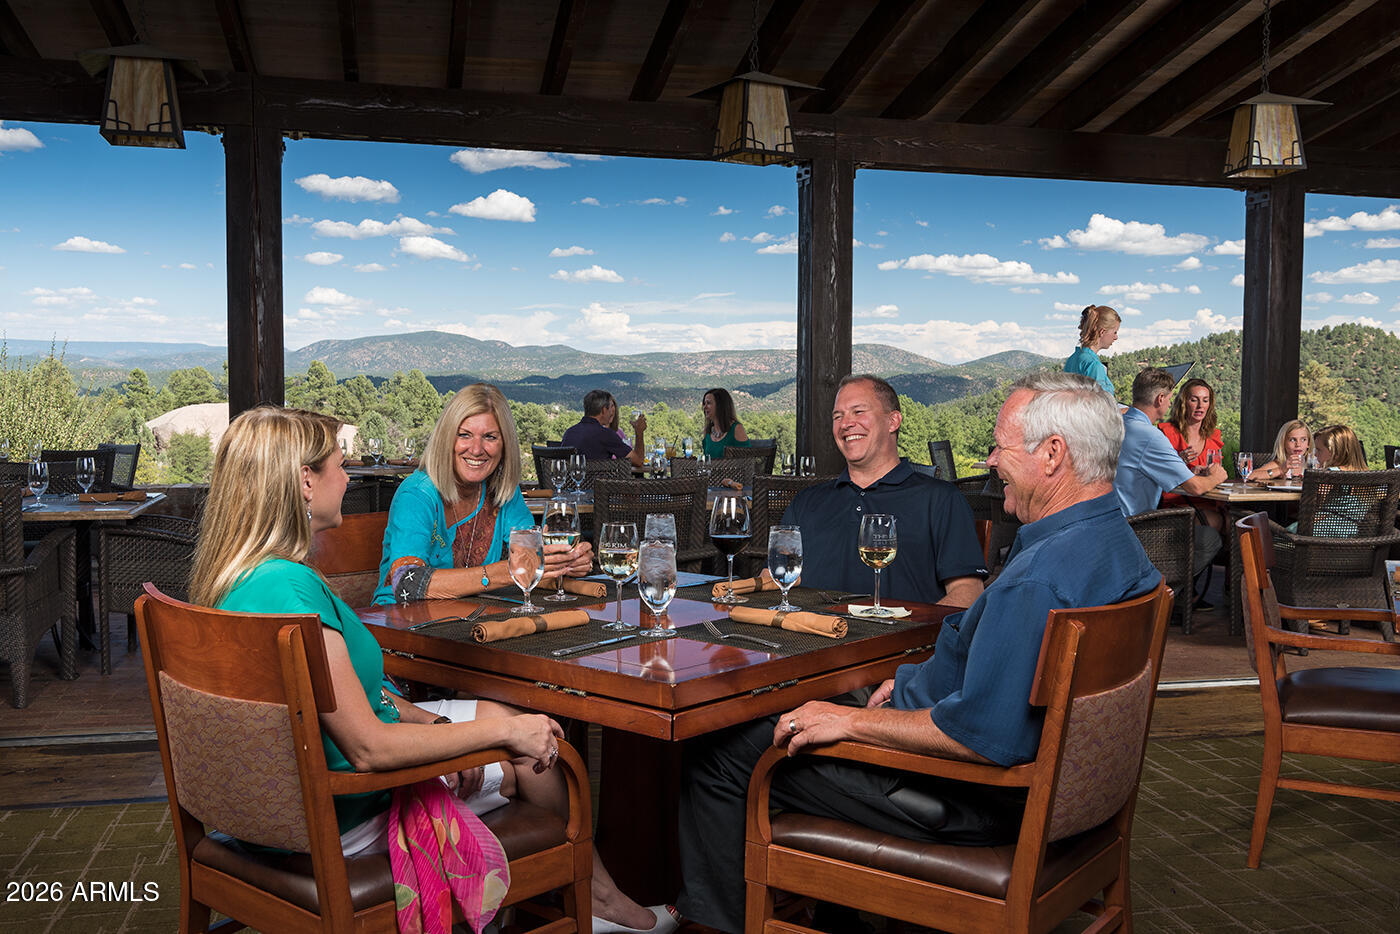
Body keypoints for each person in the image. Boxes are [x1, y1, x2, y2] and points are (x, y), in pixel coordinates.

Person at [674, 372, 1161, 934]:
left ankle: (723, 925)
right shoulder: (1117, 548)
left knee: (718, 749)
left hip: (963, 797)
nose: (992, 461)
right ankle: (838, 906)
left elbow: (978, 739)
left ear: (1053, 454)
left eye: (1000, 446)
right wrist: (910, 683)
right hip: (1064, 804)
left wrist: (851, 723)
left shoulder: (1039, 584)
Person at [190, 406, 673, 933]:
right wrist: (508, 731)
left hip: (268, 808)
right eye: (338, 464)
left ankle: (572, 892)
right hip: (344, 811)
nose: (348, 476)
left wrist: (438, 724)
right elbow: (368, 747)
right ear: (305, 481)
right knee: (535, 751)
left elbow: (354, 693)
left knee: (498, 715)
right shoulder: (291, 590)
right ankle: (578, 896)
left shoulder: (242, 580)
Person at [374, 383, 593, 605]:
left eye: (490, 437)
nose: (476, 449)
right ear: (446, 438)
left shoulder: (504, 491)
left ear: (504, 445)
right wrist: (507, 571)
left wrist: (563, 562)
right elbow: (406, 583)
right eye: (464, 435)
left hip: (471, 617)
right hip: (400, 622)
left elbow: (529, 561)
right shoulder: (417, 494)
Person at [780, 374, 985, 607]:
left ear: (893, 421)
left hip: (900, 640)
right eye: (838, 416)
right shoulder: (806, 502)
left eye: (858, 412)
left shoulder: (940, 499)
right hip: (811, 638)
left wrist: (912, 634)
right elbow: (776, 577)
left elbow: (968, 593)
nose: (846, 423)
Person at [1114, 367, 1227, 577]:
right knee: (1210, 538)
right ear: (1160, 398)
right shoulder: (1151, 436)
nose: (1169, 403)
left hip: (1111, 522)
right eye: (1169, 398)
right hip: (1135, 528)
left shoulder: (1119, 425)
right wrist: (1218, 476)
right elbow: (1196, 487)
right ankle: (1164, 591)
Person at [1157, 378, 1224, 522]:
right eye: (1194, 400)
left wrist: (1207, 473)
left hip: (1211, 500)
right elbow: (1158, 475)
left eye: (1205, 400)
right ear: (1183, 403)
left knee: (1240, 520)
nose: (1200, 406)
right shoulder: (1168, 433)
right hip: (1178, 504)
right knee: (1221, 522)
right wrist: (1179, 462)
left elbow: (1217, 474)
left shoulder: (1214, 437)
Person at [561, 389, 647, 468]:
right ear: (603, 410)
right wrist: (639, 432)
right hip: (600, 484)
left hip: (573, 484)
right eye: (610, 408)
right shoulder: (606, 434)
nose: (612, 412)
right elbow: (638, 461)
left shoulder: (569, 433)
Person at [1063, 304, 1121, 396]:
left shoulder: (1073, 359)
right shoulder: (1093, 365)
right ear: (1102, 332)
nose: (1116, 337)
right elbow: (1100, 405)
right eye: (1115, 332)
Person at [1247, 419, 1313, 482]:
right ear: (1283, 443)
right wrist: (1280, 470)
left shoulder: (1311, 464)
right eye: (1292, 440)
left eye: (1303, 439)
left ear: (1308, 443)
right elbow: (1249, 476)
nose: (1298, 444)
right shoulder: (1280, 464)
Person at [700, 388, 751, 458]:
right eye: (704, 403)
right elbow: (706, 461)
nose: (704, 407)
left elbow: (748, 461)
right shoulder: (708, 432)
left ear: (720, 406)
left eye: (708, 403)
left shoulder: (736, 429)